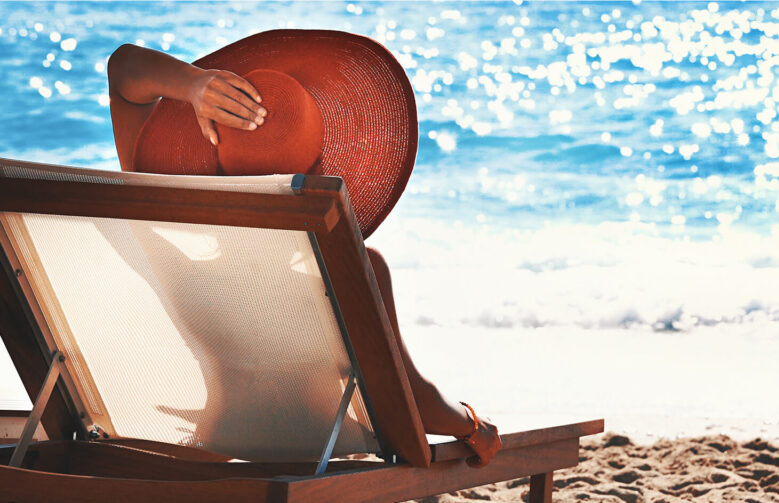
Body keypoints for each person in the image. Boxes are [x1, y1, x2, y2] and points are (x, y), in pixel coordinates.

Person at [106, 30, 501, 467]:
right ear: (319, 165)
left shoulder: (169, 259)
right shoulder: (352, 268)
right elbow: (408, 403)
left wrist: (195, 86)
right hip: (321, 471)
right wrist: (472, 425)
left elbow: (124, 70)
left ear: (216, 160)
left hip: (218, 456)